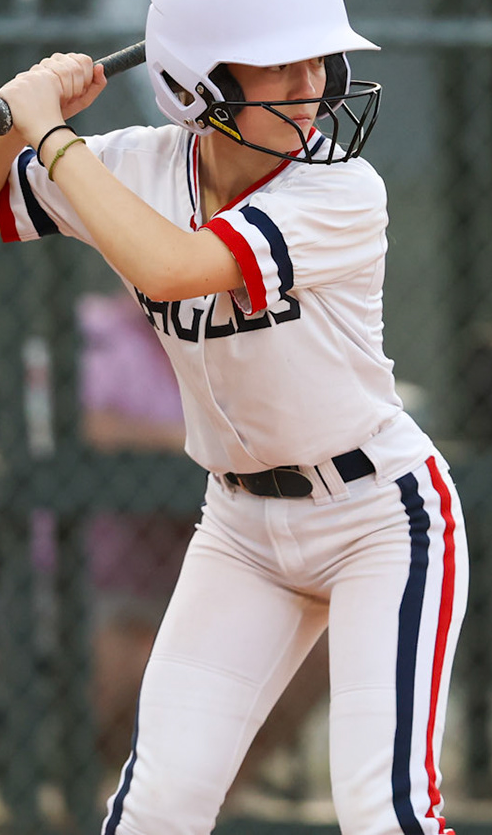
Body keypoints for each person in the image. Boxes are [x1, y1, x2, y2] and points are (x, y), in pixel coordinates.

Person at [0, 0, 466, 835]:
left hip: (380, 519)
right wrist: (17, 118)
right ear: (196, 88)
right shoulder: (137, 163)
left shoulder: (340, 190)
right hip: (243, 528)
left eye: (316, 63)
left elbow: (170, 266)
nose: (314, 88)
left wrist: (57, 140)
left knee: (385, 812)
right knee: (159, 807)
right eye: (277, 68)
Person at [71, 291, 331, 799]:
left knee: (321, 635)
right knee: (132, 659)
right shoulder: (94, 331)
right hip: (100, 593)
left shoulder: (251, 331)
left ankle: (218, 797)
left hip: (217, 585)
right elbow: (89, 429)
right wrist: (202, 444)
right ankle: (101, 796)